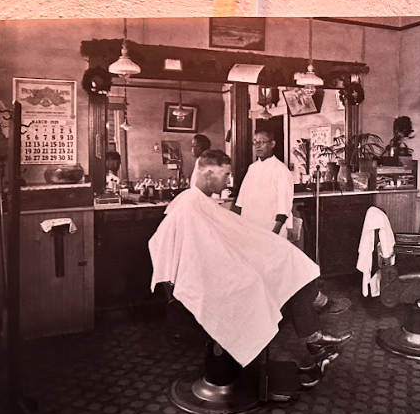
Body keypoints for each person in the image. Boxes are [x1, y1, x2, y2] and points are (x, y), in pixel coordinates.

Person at [149, 150, 351, 388]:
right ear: (209, 172)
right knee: (268, 278)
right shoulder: (189, 205)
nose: (228, 181)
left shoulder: (199, 201)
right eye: (225, 175)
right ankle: (315, 331)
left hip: (217, 271)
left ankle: (315, 334)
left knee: (291, 264)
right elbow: (197, 255)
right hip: (208, 282)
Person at [235, 130, 349, 315]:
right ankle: (308, 302)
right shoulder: (252, 169)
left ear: (272, 144)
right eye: (255, 141)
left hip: (271, 231)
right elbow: (241, 202)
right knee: (272, 272)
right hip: (251, 232)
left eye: (262, 142)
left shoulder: (281, 171)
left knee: (287, 269)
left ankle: (313, 301)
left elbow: (283, 206)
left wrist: (273, 233)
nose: (257, 145)